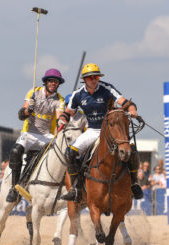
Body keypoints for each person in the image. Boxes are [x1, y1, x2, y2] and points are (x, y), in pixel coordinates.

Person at [58, 63, 142, 202]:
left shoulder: (107, 88)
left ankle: (134, 183)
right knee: (70, 153)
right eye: (90, 77)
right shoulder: (77, 95)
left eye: (96, 76)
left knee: (130, 150)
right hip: (92, 130)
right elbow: (68, 112)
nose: (93, 79)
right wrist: (62, 119)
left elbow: (125, 103)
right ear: (84, 79)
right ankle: (75, 188)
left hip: (110, 131)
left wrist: (132, 109)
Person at [6, 68, 65, 202]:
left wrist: (62, 122)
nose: (53, 83)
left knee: (61, 155)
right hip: (29, 133)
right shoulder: (34, 92)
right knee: (15, 151)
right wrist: (28, 110)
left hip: (46, 136)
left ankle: (28, 184)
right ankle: (14, 188)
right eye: (51, 81)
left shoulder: (59, 100)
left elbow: (59, 117)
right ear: (46, 82)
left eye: (56, 82)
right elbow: (21, 115)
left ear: (58, 84)